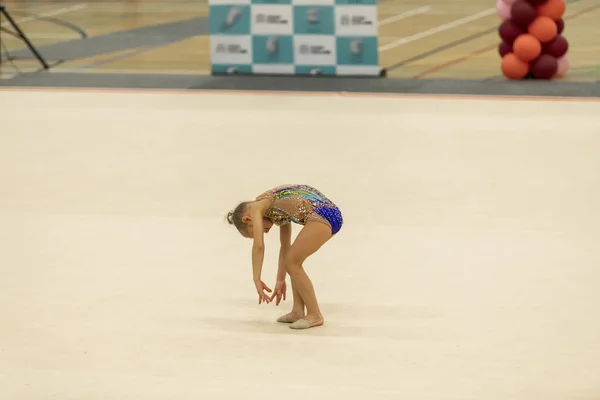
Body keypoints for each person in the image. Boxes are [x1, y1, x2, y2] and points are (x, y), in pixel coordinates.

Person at [226, 184, 343, 330]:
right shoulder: (276, 209)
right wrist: (280, 279)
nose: (264, 233)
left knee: (293, 262)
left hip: (323, 215)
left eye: (258, 230)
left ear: (247, 219)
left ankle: (315, 315)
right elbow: (285, 247)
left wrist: (256, 279)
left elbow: (258, 246)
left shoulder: (257, 207)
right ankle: (298, 311)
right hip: (329, 214)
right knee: (293, 261)